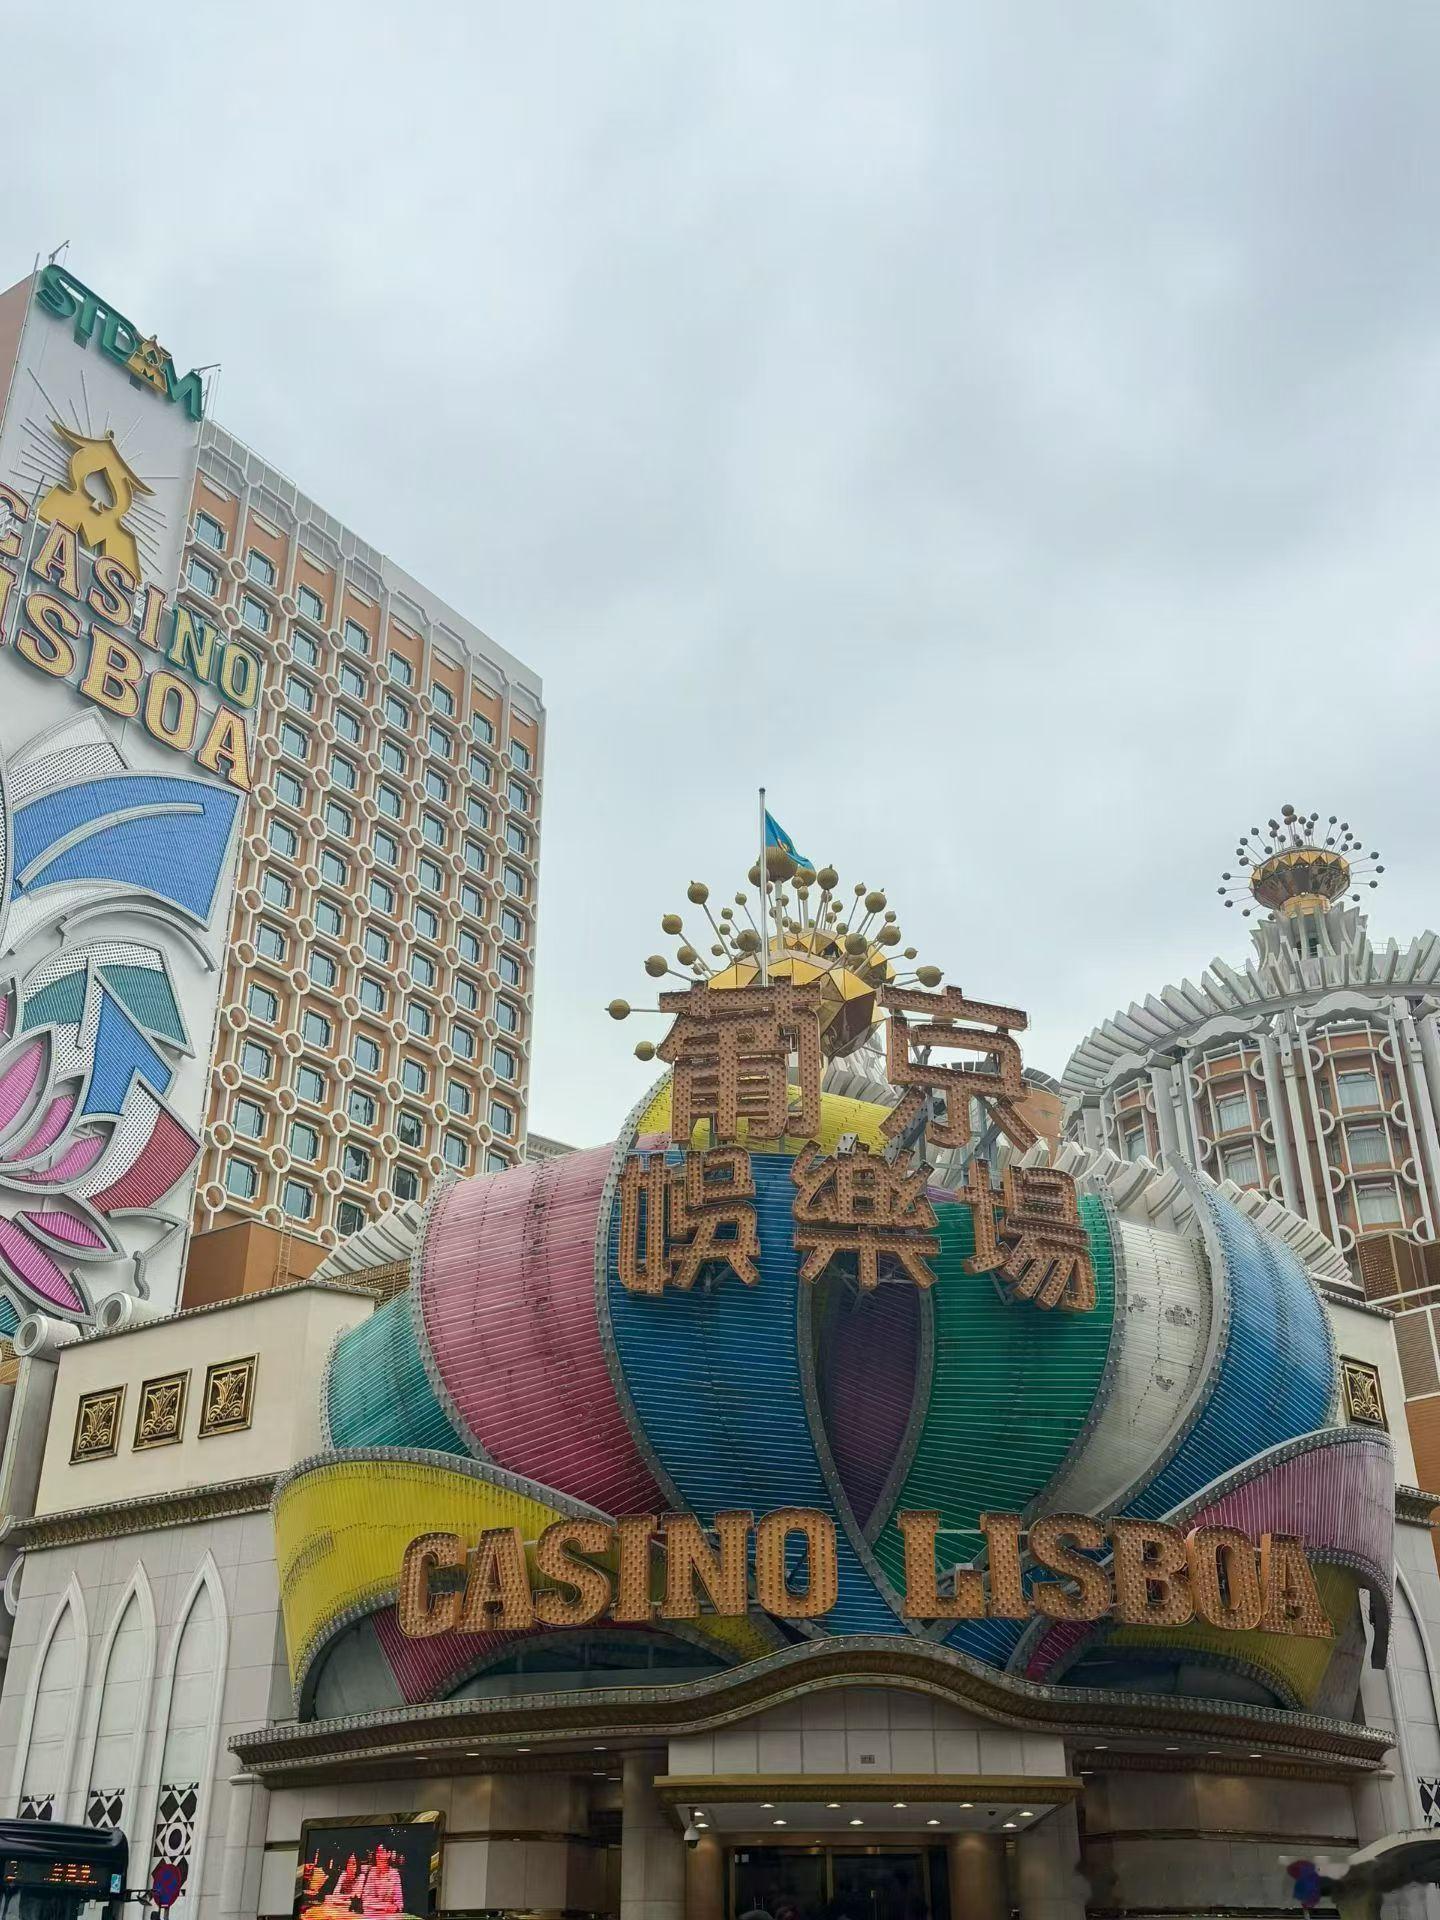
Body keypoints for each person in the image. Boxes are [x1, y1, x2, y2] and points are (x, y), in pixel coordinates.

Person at [360, 1844, 404, 1918]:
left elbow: (399, 1903)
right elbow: (366, 1899)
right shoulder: (372, 1872)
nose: (378, 1855)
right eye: (377, 1853)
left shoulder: (394, 1874)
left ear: (388, 1854)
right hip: (372, 1915)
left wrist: (396, 1907)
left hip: (389, 1916)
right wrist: (385, 1905)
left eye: (381, 1852)